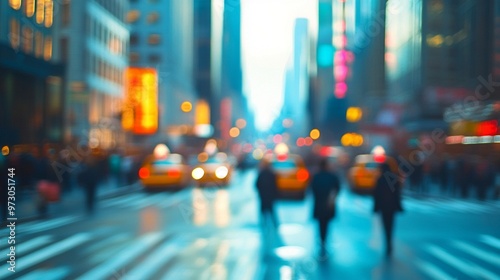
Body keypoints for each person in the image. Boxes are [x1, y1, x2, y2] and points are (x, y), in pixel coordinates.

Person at [311, 158, 341, 257]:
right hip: (328, 205)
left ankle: (322, 241)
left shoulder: (316, 177)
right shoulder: (332, 176)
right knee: (326, 224)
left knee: (321, 224)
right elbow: (337, 189)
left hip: (319, 205)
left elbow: (312, 189)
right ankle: (324, 241)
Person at [373, 162, 403, 257]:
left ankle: (388, 243)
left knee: (385, 225)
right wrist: (399, 206)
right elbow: (397, 194)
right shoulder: (394, 178)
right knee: (391, 225)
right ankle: (389, 242)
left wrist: (376, 207)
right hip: (392, 206)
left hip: (383, 207)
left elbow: (376, 195)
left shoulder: (380, 179)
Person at [255, 158, 279, 227]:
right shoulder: (272, 174)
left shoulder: (261, 174)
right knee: (271, 210)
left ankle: (264, 224)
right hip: (270, 196)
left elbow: (257, 184)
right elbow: (275, 185)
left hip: (263, 195)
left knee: (264, 211)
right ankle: (274, 224)